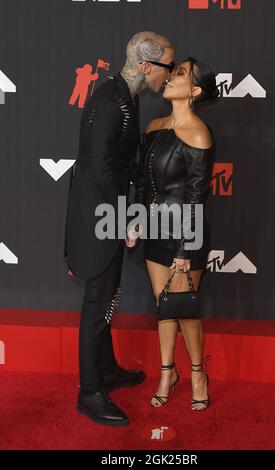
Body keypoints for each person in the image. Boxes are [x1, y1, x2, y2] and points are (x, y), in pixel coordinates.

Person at [63, 31, 175, 426]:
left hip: (103, 213)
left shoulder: (124, 96)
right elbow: (99, 172)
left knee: (107, 295)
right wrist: (125, 218)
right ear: (147, 67)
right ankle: (89, 391)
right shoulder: (113, 103)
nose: (170, 75)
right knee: (97, 302)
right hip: (99, 219)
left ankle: (106, 370)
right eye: (167, 66)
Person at [126, 57, 219, 412]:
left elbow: (197, 199)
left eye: (179, 74)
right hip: (154, 232)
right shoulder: (153, 125)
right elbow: (141, 182)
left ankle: (198, 373)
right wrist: (135, 220)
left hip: (186, 237)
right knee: (163, 309)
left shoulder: (198, 132)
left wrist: (184, 250)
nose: (170, 78)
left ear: (194, 90)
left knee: (184, 311)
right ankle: (167, 372)